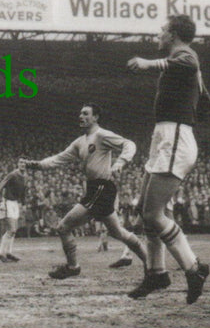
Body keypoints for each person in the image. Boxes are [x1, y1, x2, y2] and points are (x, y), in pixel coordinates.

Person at [125, 13, 210, 303]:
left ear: (174, 34)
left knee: (152, 214)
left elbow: (189, 64)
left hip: (175, 136)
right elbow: (205, 101)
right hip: (167, 136)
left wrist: (149, 63)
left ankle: (193, 268)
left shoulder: (186, 55)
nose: (158, 35)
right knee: (145, 212)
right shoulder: (185, 64)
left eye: (162, 30)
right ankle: (157, 274)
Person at [22, 104, 147, 279]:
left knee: (63, 227)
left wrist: (120, 162)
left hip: (102, 188)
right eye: (80, 113)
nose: (81, 116)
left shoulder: (102, 135)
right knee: (117, 232)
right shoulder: (80, 142)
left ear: (95, 117)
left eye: (85, 113)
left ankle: (73, 267)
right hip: (96, 189)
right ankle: (152, 264)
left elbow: (129, 144)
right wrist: (34, 164)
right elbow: (58, 159)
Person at [0, 158, 28, 262]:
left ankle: (8, 253)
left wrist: (24, 204)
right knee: (11, 229)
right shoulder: (12, 175)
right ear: (17, 164)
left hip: (15, 203)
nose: (23, 164)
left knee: (14, 230)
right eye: (21, 162)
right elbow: (0, 186)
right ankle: (0, 253)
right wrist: (0, 202)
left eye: (25, 162)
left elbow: (24, 192)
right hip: (6, 202)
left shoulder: (26, 177)